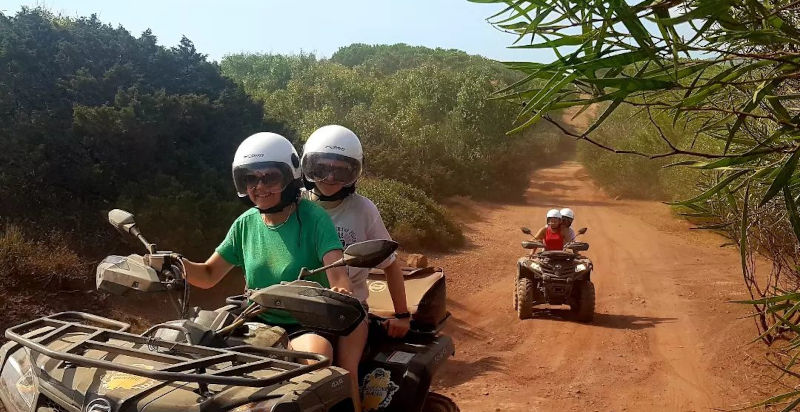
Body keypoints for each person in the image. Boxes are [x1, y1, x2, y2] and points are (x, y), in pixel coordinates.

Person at [181, 131, 352, 362]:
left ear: (289, 177)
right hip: (253, 320)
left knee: (315, 356)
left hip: (306, 324)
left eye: (270, 177)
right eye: (250, 179)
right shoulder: (245, 223)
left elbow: (338, 276)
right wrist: (176, 264)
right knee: (194, 344)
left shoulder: (315, 218)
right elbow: (209, 275)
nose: (259, 186)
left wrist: (340, 291)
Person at [301, 124, 412, 408]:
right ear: (307, 167)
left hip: (348, 309)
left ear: (354, 173)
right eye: (321, 168)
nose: (329, 177)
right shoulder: (297, 205)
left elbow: (389, 263)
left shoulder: (363, 210)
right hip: (299, 306)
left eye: (341, 171)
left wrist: (402, 314)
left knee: (345, 370)